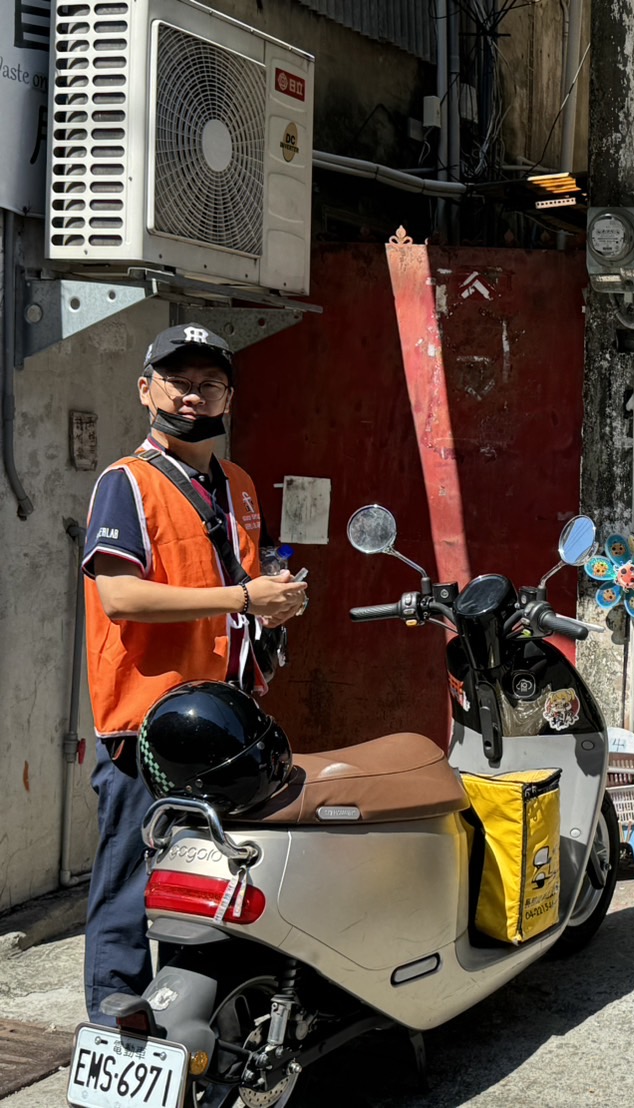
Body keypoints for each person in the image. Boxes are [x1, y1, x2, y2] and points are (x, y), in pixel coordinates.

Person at [81, 323, 307, 1023]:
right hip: (146, 722)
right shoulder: (126, 482)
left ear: (228, 399)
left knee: (205, 875)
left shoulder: (238, 484)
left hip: (224, 724)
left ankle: (188, 1009)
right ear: (145, 389)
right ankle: (115, 1013)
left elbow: (245, 578)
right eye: (177, 381)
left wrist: (276, 603)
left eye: (209, 384)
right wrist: (243, 598)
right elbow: (120, 595)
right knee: (130, 875)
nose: (192, 396)